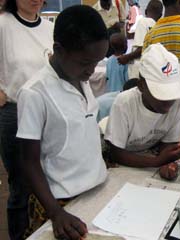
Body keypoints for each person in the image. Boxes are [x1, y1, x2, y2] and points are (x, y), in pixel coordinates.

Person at [16, 5, 108, 239]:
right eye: (86, 62)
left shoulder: (79, 76)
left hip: (96, 190)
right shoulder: (35, 93)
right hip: (62, 202)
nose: (92, 70)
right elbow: (29, 161)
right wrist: (56, 213)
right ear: (59, 49)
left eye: (97, 61)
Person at [0, 0, 53, 238]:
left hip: (48, 112)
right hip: (16, 112)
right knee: (21, 186)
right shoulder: (3, 25)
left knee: (48, 179)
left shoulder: (50, 28)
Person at [105, 43, 180, 168]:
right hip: (126, 161)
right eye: (161, 93)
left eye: (173, 92)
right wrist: (157, 162)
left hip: (149, 157)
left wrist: (168, 162)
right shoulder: (124, 103)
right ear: (141, 86)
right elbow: (116, 153)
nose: (169, 100)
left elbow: (169, 142)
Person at [118, 0, 163, 79]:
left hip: (139, 68)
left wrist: (126, 58)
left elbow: (141, 48)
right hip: (151, 69)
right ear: (160, 15)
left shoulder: (143, 22)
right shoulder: (159, 27)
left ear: (145, 11)